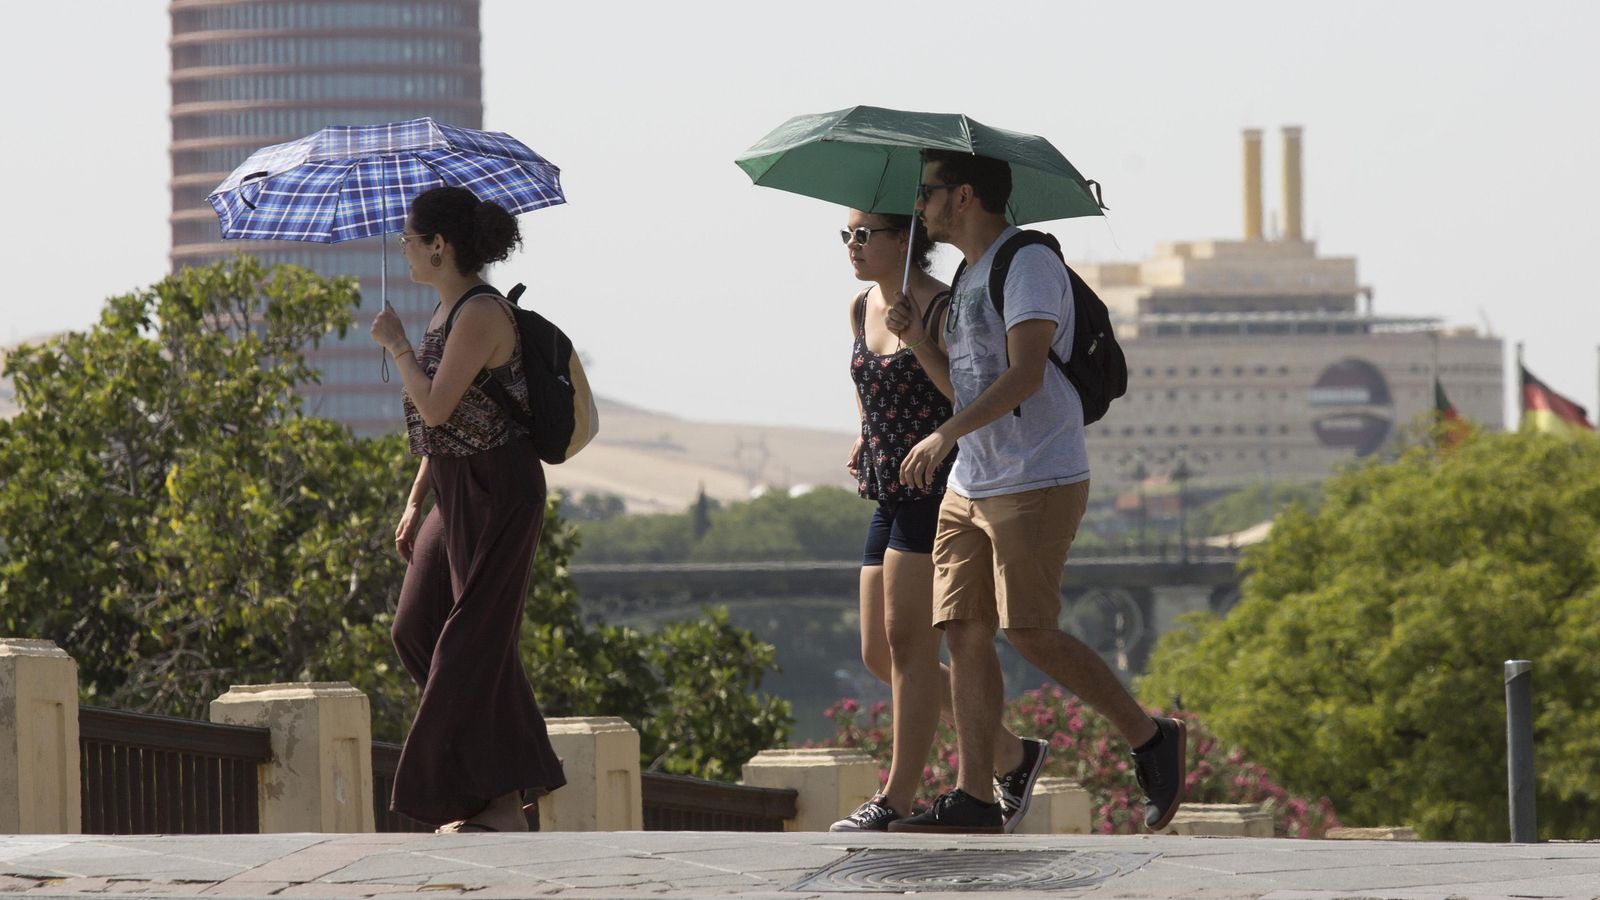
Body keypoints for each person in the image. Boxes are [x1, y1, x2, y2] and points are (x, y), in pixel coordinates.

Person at [884, 152, 1186, 834]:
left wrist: (941, 438)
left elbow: (1023, 376)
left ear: (963, 196)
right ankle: (975, 798)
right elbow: (963, 389)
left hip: (1038, 476)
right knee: (961, 629)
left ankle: (1149, 736)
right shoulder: (964, 278)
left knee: (1029, 631)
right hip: (972, 481)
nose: (920, 205)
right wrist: (918, 343)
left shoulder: (1029, 265)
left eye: (928, 192)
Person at [830, 209, 1044, 834]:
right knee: (880, 653)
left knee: (910, 650)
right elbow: (870, 388)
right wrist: (863, 437)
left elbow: (967, 396)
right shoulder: (858, 306)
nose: (852, 245)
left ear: (906, 240)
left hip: (937, 487)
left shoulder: (946, 308)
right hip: (885, 486)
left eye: (865, 234)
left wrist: (918, 337)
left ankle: (895, 799)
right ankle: (1010, 752)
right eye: (847, 235)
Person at [369, 185, 565, 833]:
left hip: (499, 490)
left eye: (409, 240)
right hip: (452, 489)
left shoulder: (479, 313)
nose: (403, 250)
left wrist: (396, 345)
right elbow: (443, 430)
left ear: (439, 245)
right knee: (416, 629)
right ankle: (505, 783)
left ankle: (486, 800)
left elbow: (435, 407)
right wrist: (415, 498)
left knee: (469, 645)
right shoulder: (441, 313)